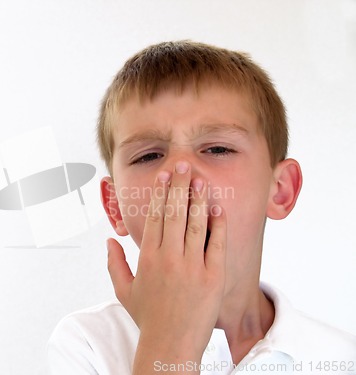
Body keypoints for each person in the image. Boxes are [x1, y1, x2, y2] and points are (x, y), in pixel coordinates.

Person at [43, 40, 356, 374]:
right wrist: (169, 338)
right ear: (116, 206)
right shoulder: (86, 345)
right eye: (149, 156)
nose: (181, 173)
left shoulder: (342, 357)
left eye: (218, 149)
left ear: (280, 191)